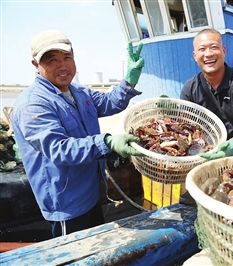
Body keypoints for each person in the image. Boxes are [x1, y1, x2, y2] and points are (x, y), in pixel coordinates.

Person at [11, 30, 143, 238]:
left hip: (90, 192)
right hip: (66, 204)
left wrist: (129, 81)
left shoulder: (79, 92)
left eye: (67, 58)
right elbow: (59, 149)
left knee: (98, 247)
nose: (62, 66)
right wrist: (107, 142)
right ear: (36, 65)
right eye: (52, 60)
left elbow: (109, 103)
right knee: (76, 255)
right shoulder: (33, 104)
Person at [180, 28, 233, 160]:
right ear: (195, 56)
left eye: (214, 47)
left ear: (224, 51)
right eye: (202, 49)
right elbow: (184, 127)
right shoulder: (189, 88)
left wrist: (232, 146)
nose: (208, 54)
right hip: (205, 146)